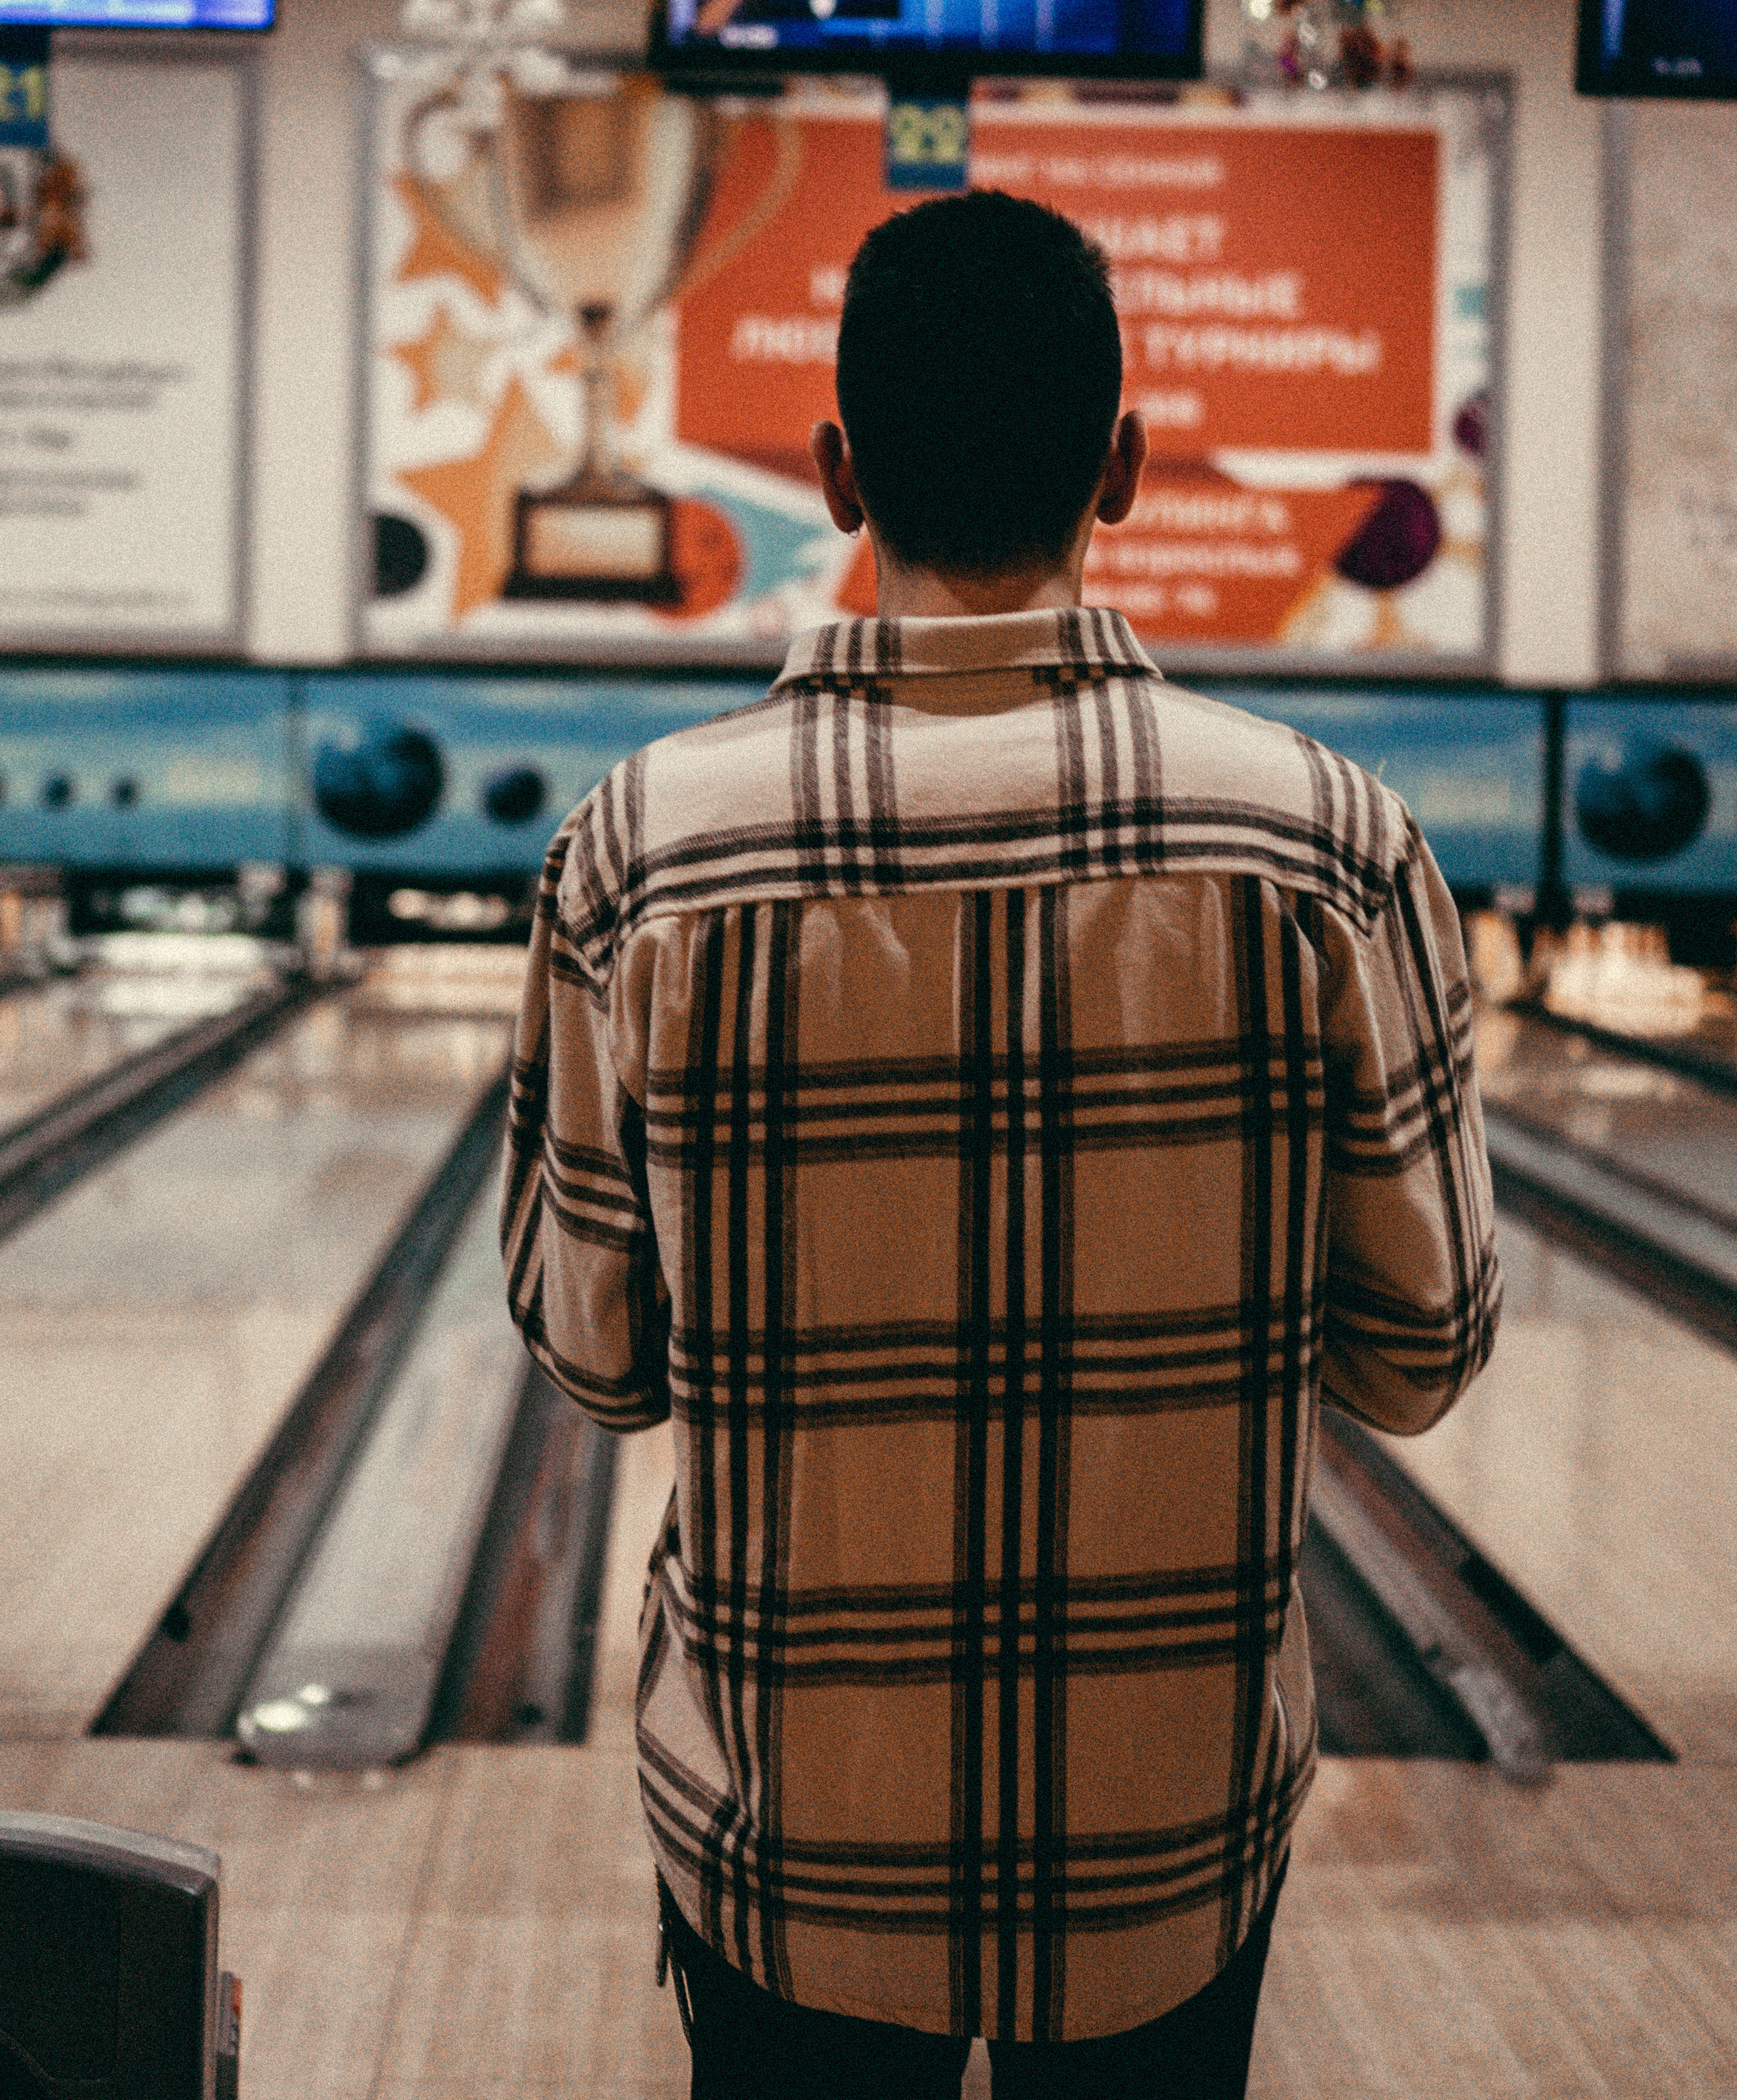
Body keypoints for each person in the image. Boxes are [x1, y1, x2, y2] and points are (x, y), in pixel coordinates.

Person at [498, 188, 1499, 2098]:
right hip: (1166, 1837)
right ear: (1120, 467)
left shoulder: (641, 852)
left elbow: (594, 1359)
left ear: (835, 474)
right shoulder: (1329, 846)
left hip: (787, 1826)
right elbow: (1426, 1358)